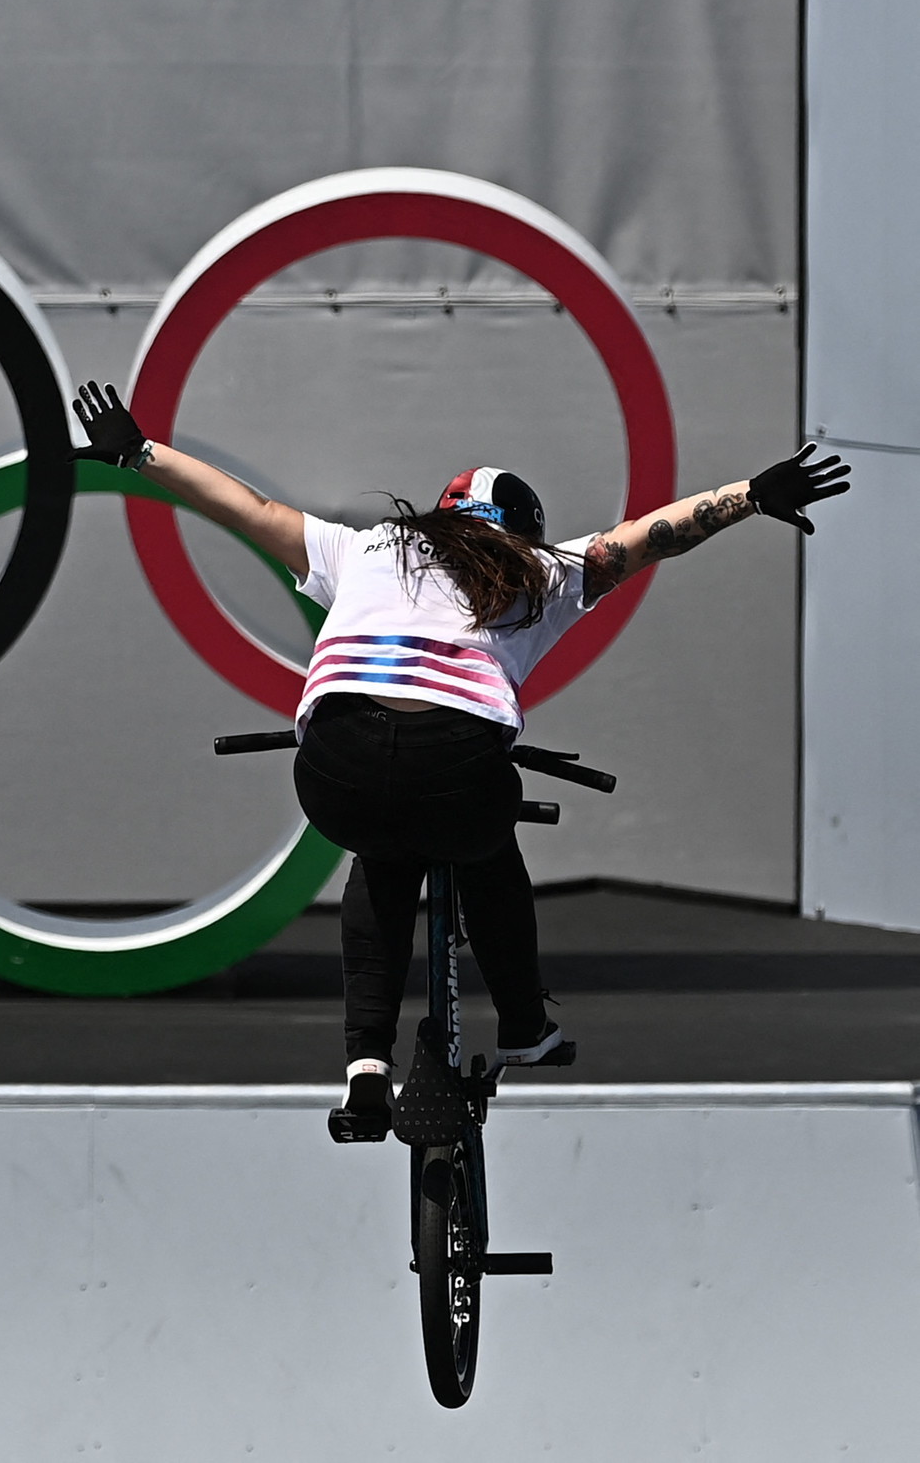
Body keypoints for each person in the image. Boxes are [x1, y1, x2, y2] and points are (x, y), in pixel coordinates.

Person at [70, 381, 851, 1141]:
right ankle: (520, 1026)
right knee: (485, 844)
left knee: (378, 858)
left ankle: (365, 1070)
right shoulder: (544, 570)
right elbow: (654, 533)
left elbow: (250, 510)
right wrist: (752, 491)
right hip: (455, 763)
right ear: (523, 527)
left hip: (335, 760)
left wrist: (138, 452)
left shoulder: (368, 545)